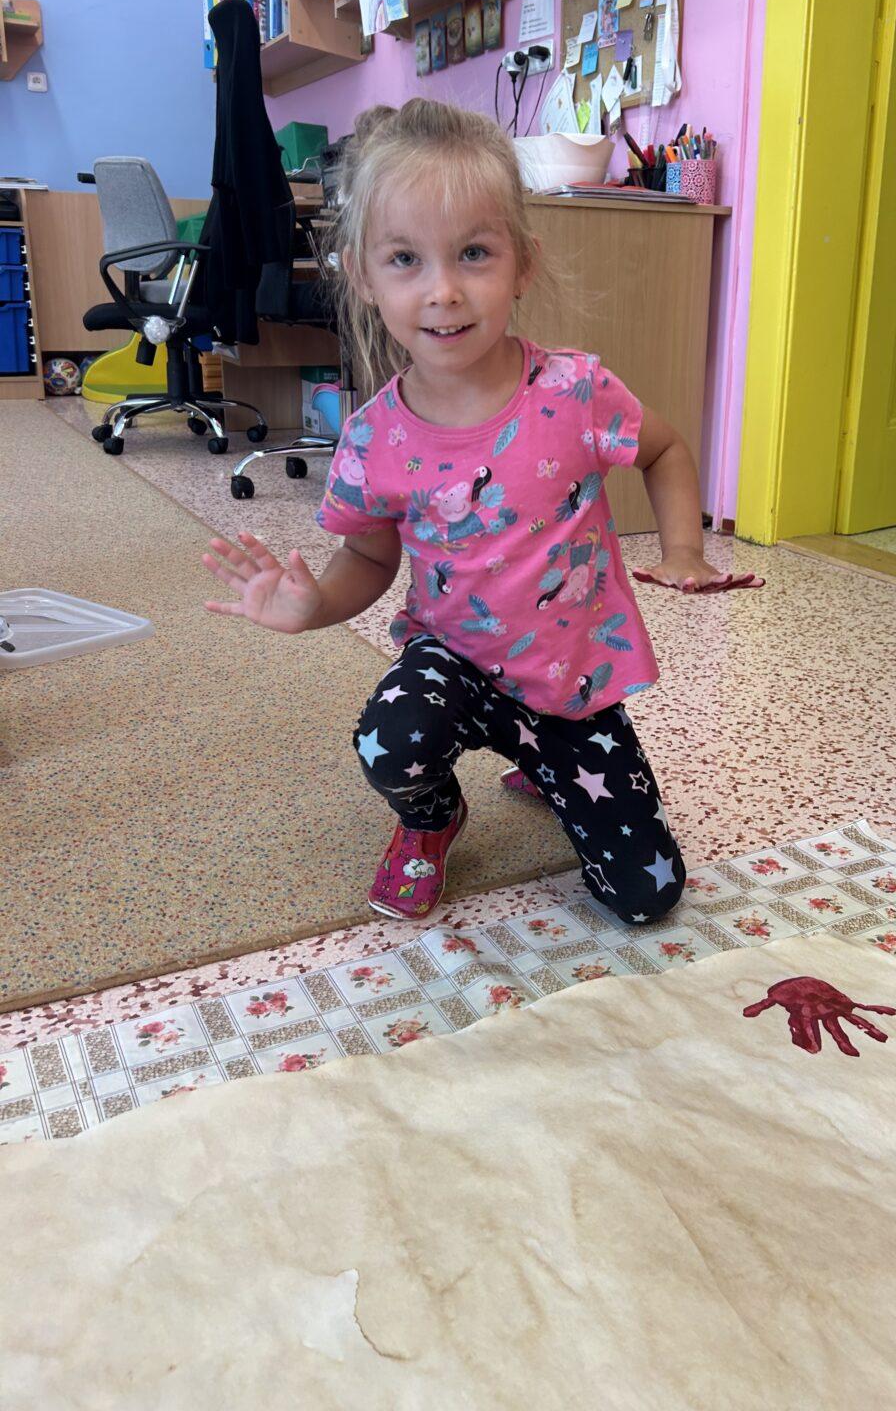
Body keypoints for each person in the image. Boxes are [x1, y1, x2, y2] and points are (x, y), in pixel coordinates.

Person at [201, 99, 762, 926]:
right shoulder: (372, 438)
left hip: (569, 681)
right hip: (453, 664)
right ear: (361, 275)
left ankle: (541, 762)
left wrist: (684, 549)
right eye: (405, 259)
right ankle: (432, 819)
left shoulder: (575, 390)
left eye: (473, 253)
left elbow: (666, 450)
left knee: (648, 899)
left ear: (522, 263)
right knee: (389, 741)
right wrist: (312, 606)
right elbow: (369, 559)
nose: (444, 291)